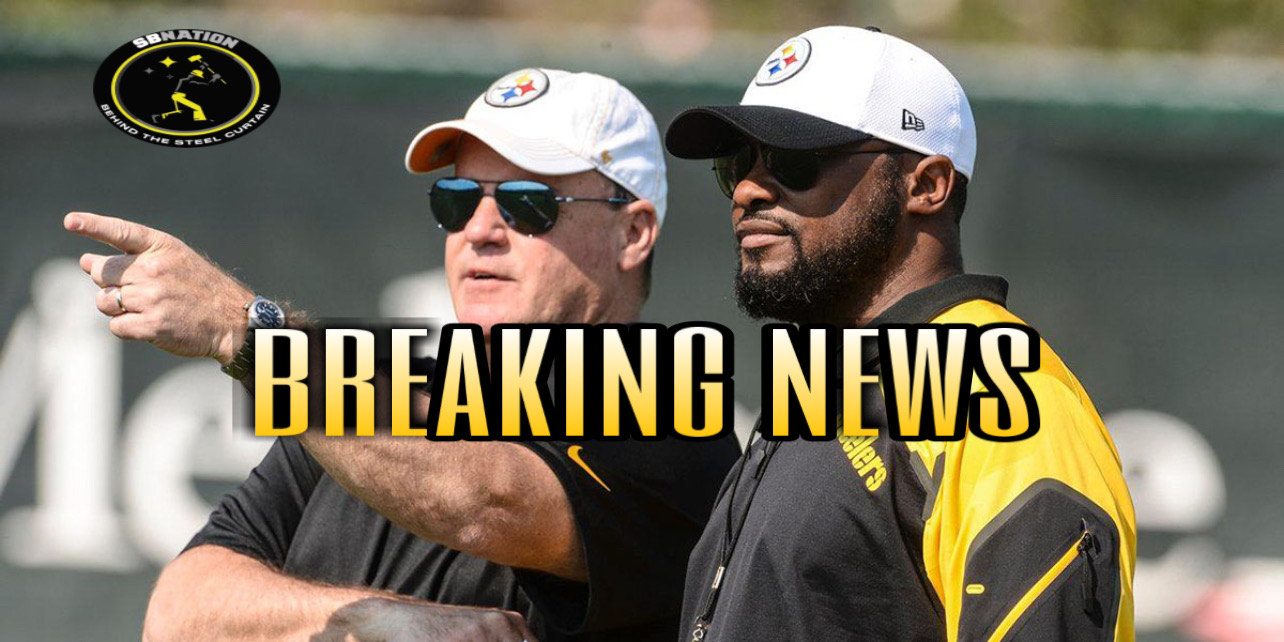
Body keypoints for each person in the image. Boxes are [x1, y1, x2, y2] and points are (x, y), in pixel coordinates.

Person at [65, 68, 739, 641]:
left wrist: (246, 332)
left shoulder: (676, 406)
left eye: (527, 204)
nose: (479, 230)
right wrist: (380, 621)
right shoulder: (362, 397)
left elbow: (479, 501)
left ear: (632, 233)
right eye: (457, 201)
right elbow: (179, 611)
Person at [664, 26, 1136, 641]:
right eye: (737, 166)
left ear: (927, 185)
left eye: (793, 160)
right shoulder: (826, 385)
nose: (749, 190)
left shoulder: (999, 393)